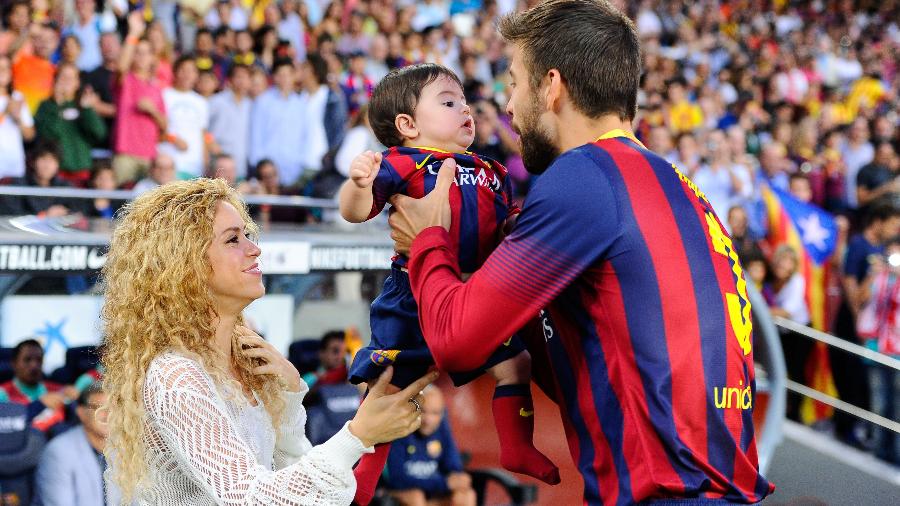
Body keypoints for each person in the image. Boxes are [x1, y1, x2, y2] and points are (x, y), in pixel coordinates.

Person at [386, 0, 773, 503]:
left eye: (514, 82)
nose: (507, 105)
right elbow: (599, 363)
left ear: (551, 86)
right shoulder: (674, 183)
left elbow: (457, 339)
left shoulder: (584, 177)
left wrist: (426, 243)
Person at [99, 177, 437, 504]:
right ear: (184, 264)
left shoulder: (245, 362)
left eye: (247, 234)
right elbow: (251, 498)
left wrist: (290, 392)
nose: (254, 248)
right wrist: (358, 435)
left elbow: (298, 483)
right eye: (233, 240)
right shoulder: (175, 375)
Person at [340, 63, 560, 506]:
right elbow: (354, 210)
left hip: (473, 291)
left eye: (463, 100)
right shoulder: (400, 163)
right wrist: (358, 183)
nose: (465, 109)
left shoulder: (489, 169)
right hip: (412, 293)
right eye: (447, 101)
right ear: (407, 124)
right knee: (389, 390)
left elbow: (504, 227)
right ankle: (361, 480)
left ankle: (516, 447)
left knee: (515, 365)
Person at [383, 386, 476, 506]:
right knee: (416, 497)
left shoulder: (441, 427)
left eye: (435, 413)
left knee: (465, 495)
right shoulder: (399, 430)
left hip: (433, 490)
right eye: (423, 411)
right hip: (400, 491)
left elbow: (454, 467)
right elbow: (397, 479)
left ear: (442, 413)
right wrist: (444, 483)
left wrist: (458, 479)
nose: (429, 420)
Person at [32, 383, 121, 506]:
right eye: (100, 408)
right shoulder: (58, 452)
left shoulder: (125, 449)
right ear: (81, 413)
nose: (107, 415)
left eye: (113, 408)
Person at [0, 339, 74, 433]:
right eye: (27, 360)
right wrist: (40, 404)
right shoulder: (3, 393)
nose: (34, 365)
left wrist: (77, 394)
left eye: (39, 360)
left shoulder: (57, 389)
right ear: (14, 364)